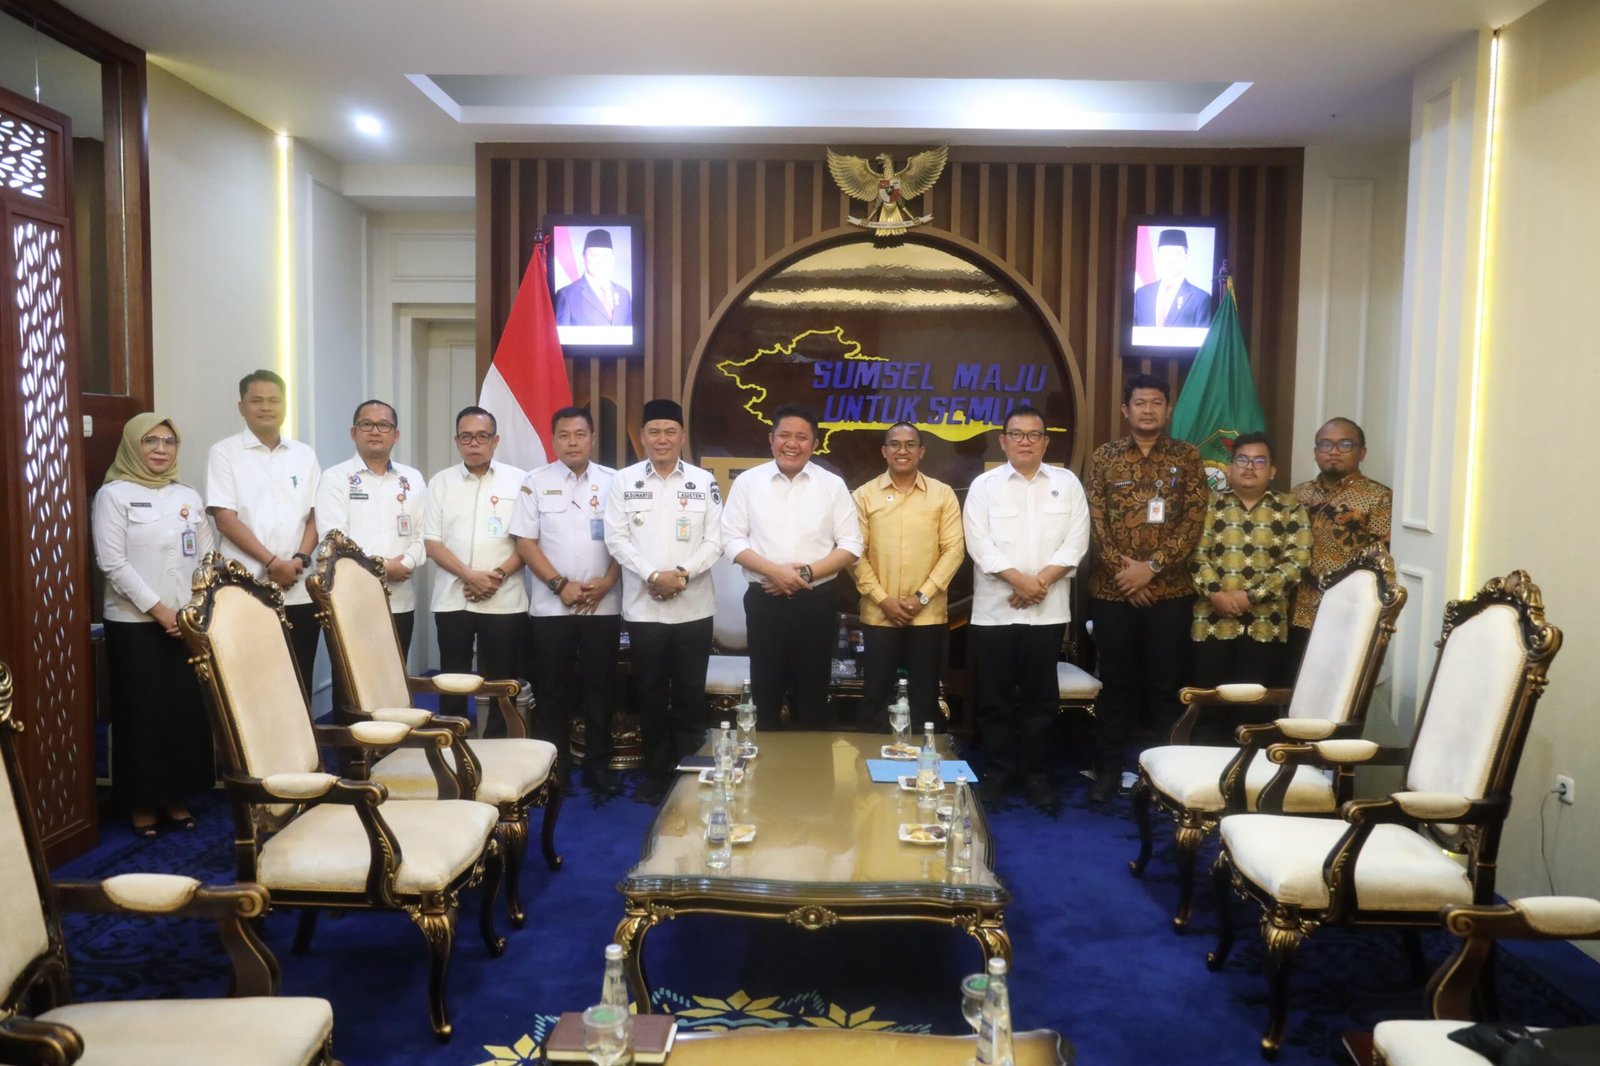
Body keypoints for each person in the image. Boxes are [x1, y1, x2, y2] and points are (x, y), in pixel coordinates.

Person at [1085, 373, 1208, 803]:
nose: (1148, 410)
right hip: (1112, 592)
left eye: (1156, 402)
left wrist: (1151, 568)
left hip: (1169, 593)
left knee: (1165, 686)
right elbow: (1096, 522)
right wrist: (1128, 576)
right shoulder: (1105, 457)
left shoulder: (1187, 457)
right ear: (1126, 409)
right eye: (1140, 403)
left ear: (1167, 409)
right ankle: (1106, 770)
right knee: (1116, 684)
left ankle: (1164, 781)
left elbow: (1193, 521)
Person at [92, 414, 216, 838]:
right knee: (142, 714)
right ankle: (142, 803)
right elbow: (112, 563)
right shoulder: (113, 495)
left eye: (169, 441)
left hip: (187, 623)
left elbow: (206, 558)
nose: (161, 449)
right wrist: (161, 611)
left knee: (183, 712)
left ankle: (176, 797)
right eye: (150, 441)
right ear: (133, 445)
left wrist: (194, 609)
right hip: (135, 625)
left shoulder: (187, 495)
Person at [963, 406, 1090, 810]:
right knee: (994, 700)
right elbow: (978, 543)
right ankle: (999, 773)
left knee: (1041, 700)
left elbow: (1076, 542)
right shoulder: (984, 486)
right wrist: (1020, 581)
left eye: (1034, 435)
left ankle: (1037, 776)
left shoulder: (1067, 484)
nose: (1025, 441)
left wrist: (1039, 583)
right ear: (1003, 441)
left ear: (1045, 442)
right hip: (994, 611)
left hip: (1047, 612)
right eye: (1016, 434)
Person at [603, 399, 723, 804]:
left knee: (689, 694)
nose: (662, 439)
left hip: (694, 608)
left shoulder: (703, 481)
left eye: (670, 431)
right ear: (642, 437)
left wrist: (682, 575)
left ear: (682, 436)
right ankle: (655, 774)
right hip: (645, 608)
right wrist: (655, 576)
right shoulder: (624, 481)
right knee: (651, 693)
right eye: (654, 431)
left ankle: (688, 775)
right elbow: (616, 538)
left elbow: (715, 540)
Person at [722, 403, 862, 731]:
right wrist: (775, 572)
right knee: (765, 695)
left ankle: (810, 764)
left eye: (802, 437)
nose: (792, 443)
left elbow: (852, 546)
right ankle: (765, 762)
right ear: (771, 438)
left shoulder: (832, 485)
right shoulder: (748, 482)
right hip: (764, 601)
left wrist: (802, 574)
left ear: (815, 444)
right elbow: (730, 540)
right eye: (784, 435)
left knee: (813, 697)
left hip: (816, 602)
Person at [511, 407, 622, 792]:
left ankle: (598, 765)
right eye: (564, 435)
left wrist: (608, 582)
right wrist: (560, 585)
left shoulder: (614, 482)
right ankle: (553, 766)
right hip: (550, 607)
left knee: (600, 688)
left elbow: (625, 540)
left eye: (580, 434)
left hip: (602, 604)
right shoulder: (534, 481)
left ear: (592, 437)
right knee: (552, 689)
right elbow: (525, 542)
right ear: (553, 439)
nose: (572, 442)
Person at [205, 370, 322, 698]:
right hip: (245, 587)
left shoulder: (304, 454)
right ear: (241, 407)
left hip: (298, 587)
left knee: (298, 677)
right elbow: (225, 519)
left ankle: (299, 735)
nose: (266, 407)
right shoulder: (224, 453)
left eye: (273, 400)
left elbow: (316, 515)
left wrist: (298, 559)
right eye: (257, 401)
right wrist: (273, 562)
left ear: (284, 406)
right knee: (250, 682)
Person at [851, 422, 965, 733]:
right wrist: (883, 599)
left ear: (922, 451)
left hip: (927, 615)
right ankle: (870, 763)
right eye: (895, 444)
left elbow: (954, 550)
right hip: (879, 614)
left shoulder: (942, 494)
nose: (903, 451)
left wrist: (921, 597)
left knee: (925, 700)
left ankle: (926, 761)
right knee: (875, 698)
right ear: (884, 451)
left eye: (910, 444)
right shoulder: (864, 495)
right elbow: (854, 554)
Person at [1187, 433, 1312, 716]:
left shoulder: (1291, 507)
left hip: (1266, 626)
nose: (1249, 467)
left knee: (1256, 715)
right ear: (1230, 467)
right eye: (1242, 459)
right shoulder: (1208, 505)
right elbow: (1195, 555)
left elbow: (1297, 561)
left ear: (1272, 471)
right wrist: (1216, 594)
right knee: (1209, 712)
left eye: (1259, 461)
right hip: (1211, 624)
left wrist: (1252, 596)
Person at [423, 406, 528, 734]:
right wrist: (470, 576)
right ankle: (453, 742)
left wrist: (496, 576)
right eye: (466, 437)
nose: (474, 443)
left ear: (495, 440)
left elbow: (528, 541)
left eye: (482, 436)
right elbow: (431, 542)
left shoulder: (519, 481)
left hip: (505, 598)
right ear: (457, 441)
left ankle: (496, 742)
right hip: (453, 598)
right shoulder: (441, 482)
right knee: (452, 680)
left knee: (501, 682)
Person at [315, 400, 427, 665]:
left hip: (399, 600)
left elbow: (425, 533)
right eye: (367, 424)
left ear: (395, 435)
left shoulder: (412, 479)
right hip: (350, 600)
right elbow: (333, 538)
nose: (375, 431)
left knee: (394, 677)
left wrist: (408, 562)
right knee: (351, 681)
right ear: (353, 432)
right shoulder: (335, 478)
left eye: (384, 425)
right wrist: (382, 568)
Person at [1288, 417, 1392, 668]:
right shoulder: (1297, 494)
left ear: (1362, 452)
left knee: (1336, 682)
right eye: (1325, 444)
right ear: (1315, 452)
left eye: (1345, 444)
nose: (1333, 451)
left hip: (1346, 612)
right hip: (1295, 610)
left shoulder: (1378, 497)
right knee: (1293, 680)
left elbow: (1381, 561)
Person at [1132, 229, 1212, 328]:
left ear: (1186, 258)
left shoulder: (1200, 298)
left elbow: (1202, 336)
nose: (1171, 260)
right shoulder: (1141, 294)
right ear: (1158, 257)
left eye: (1177, 254)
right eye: (1165, 253)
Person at [553, 229, 633, 327]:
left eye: (605, 255)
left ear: (613, 258)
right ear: (583, 257)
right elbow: (560, 335)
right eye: (594, 255)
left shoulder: (624, 294)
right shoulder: (566, 295)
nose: (600, 261)